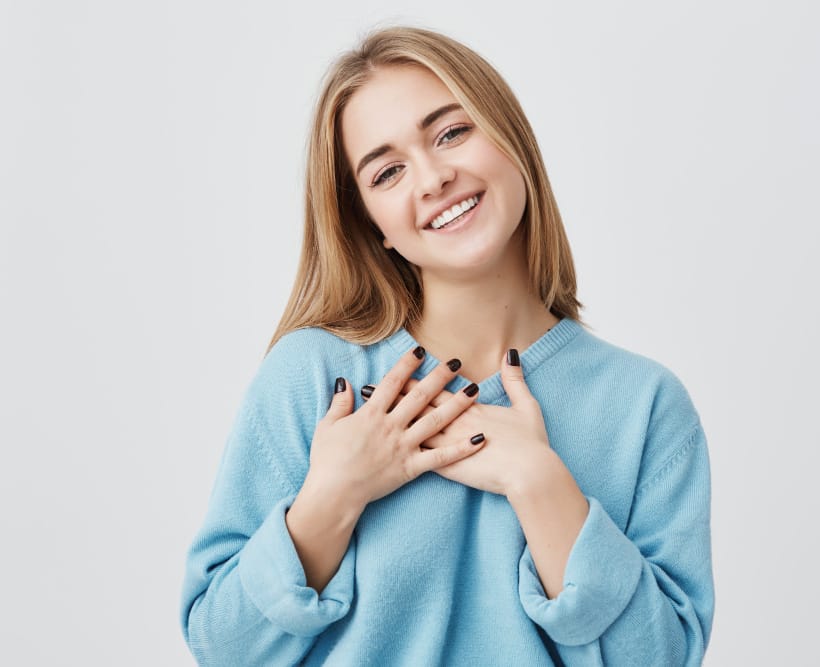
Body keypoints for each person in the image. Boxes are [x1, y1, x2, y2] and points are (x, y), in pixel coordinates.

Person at [180, 25, 714, 666]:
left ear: (510, 136)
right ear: (372, 224)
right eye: (388, 172)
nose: (432, 178)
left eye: (452, 132)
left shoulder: (646, 404)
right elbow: (222, 647)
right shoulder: (315, 377)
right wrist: (333, 497)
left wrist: (540, 482)